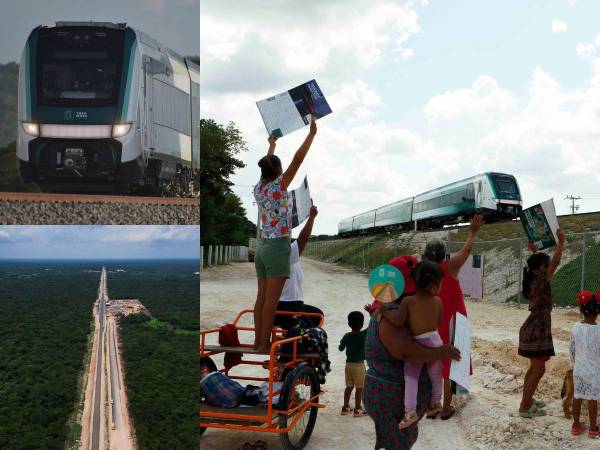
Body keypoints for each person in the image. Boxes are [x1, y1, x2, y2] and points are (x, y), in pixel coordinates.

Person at [362, 257, 461, 450]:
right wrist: (441, 352)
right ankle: (435, 402)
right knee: (397, 442)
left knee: (398, 439)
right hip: (390, 398)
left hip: (390, 397)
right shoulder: (392, 310)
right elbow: (406, 352)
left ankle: (434, 402)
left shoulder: (402, 306)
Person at [253, 117, 317, 352]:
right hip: (278, 248)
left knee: (261, 299)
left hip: (261, 248)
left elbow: (266, 167)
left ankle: (257, 341)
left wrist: (271, 145)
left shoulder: (259, 188)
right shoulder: (280, 186)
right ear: (279, 171)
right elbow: (298, 160)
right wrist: (311, 134)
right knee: (272, 301)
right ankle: (263, 346)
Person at [423, 214, 483, 419]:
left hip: (431, 321)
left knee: (432, 363)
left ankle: (432, 405)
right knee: (450, 365)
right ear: (443, 254)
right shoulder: (450, 267)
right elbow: (466, 251)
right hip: (453, 322)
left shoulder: (423, 272)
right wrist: (473, 232)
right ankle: (446, 408)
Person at [381, 261, 445, 428]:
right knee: (436, 373)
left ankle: (410, 411)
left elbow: (398, 321)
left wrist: (385, 312)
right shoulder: (438, 301)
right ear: (433, 287)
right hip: (436, 341)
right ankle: (436, 402)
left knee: (411, 377)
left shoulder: (408, 302)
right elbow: (439, 321)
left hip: (418, 344)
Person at [518, 229, 565, 418]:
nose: (549, 269)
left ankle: (527, 401)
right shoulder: (542, 280)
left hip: (532, 328)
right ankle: (524, 406)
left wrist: (535, 253)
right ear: (540, 270)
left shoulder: (532, 278)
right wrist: (561, 243)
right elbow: (555, 262)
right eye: (544, 267)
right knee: (539, 368)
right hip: (538, 329)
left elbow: (541, 265)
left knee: (534, 367)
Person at [274, 202, 323, 329]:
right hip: (287, 306)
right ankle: (292, 343)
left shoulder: (279, 252)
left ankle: (289, 340)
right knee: (312, 322)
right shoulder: (283, 253)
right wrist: (311, 218)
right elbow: (303, 238)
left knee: (317, 315)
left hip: (288, 304)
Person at [569, 290, 600, 438]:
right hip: (594, 370)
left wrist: (574, 363)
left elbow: (572, 349)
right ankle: (593, 428)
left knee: (577, 396)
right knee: (593, 398)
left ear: (581, 310)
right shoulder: (599, 330)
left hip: (579, 368)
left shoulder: (576, 327)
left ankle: (576, 425)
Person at [339, 311, 368, 417]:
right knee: (360, 388)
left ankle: (345, 407)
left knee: (349, 386)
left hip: (348, 365)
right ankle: (357, 408)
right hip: (359, 366)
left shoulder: (347, 336)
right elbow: (372, 327)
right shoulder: (362, 335)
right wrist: (371, 313)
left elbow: (340, 348)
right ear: (362, 324)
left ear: (348, 324)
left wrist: (343, 345)